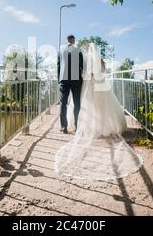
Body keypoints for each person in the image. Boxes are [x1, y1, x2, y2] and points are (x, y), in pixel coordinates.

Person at [55, 43, 143, 180]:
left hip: (88, 85)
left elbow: (82, 72)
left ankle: (84, 126)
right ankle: (106, 126)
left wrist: (84, 76)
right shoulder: (100, 61)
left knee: (87, 106)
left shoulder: (84, 60)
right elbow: (104, 71)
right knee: (104, 107)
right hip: (101, 85)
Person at [57, 34, 83, 134]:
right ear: (74, 41)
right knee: (77, 104)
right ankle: (77, 127)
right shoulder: (78, 50)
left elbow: (58, 65)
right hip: (76, 80)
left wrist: (59, 79)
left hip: (63, 80)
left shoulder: (60, 50)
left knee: (63, 103)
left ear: (66, 40)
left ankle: (64, 127)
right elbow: (81, 65)